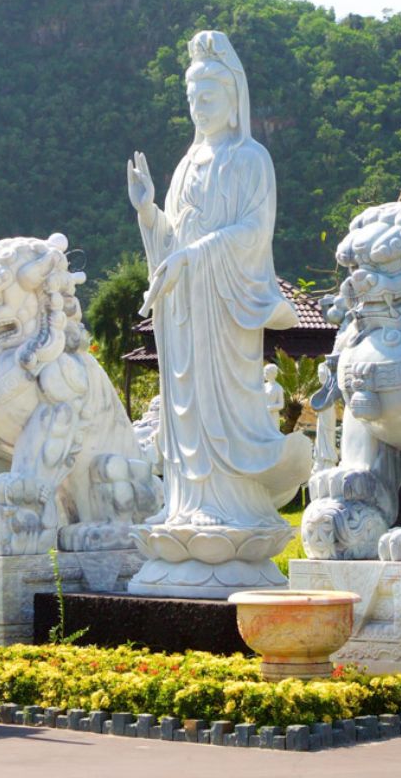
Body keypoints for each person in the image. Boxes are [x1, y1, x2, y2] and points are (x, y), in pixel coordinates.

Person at [126, 30, 300, 528]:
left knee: (227, 406)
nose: (198, 107)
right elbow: (171, 243)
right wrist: (147, 212)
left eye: (209, 96)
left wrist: (195, 256)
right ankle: (187, 504)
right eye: (192, 98)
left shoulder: (251, 159)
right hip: (184, 311)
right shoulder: (185, 165)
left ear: (233, 98)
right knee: (186, 403)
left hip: (225, 304)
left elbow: (253, 230)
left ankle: (233, 506)